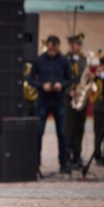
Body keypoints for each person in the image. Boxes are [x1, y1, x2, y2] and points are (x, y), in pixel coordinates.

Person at [27, 35, 73, 174]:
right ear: (47, 46)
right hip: (43, 100)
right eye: (50, 48)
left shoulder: (64, 60)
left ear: (58, 46)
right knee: (39, 132)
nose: (52, 51)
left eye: (54, 49)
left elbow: (70, 79)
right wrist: (42, 85)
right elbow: (30, 79)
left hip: (59, 100)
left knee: (62, 133)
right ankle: (36, 164)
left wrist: (61, 85)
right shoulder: (39, 60)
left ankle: (63, 163)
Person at [65, 33, 88, 168]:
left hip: (82, 97)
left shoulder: (84, 60)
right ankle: (67, 155)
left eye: (81, 44)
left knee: (80, 127)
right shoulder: (65, 59)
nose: (79, 47)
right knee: (69, 128)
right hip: (69, 99)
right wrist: (70, 91)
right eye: (77, 44)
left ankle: (77, 156)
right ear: (71, 44)